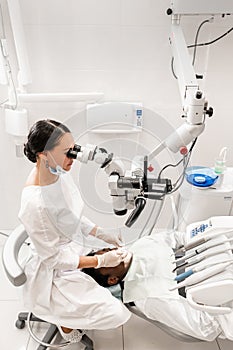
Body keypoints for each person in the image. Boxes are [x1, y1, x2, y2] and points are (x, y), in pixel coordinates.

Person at [18, 119, 131, 343]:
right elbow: (53, 259)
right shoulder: (35, 203)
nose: (74, 158)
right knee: (117, 313)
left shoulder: (58, 172)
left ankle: (75, 309)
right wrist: (99, 262)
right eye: (67, 152)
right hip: (54, 272)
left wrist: (101, 233)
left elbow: (69, 217)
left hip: (71, 246)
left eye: (74, 150)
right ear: (43, 154)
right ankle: (67, 326)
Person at [82, 230, 233, 341]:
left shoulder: (143, 244)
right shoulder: (147, 297)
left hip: (224, 251)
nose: (111, 251)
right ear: (112, 280)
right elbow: (206, 327)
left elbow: (181, 236)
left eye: (106, 250)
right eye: (105, 260)